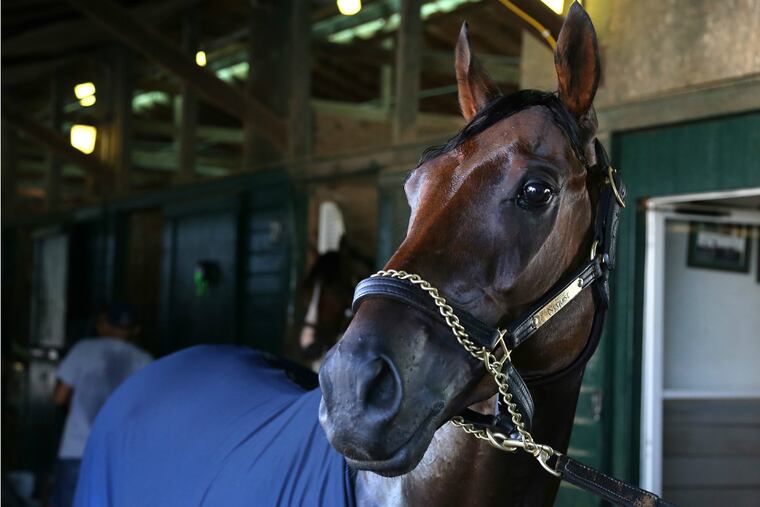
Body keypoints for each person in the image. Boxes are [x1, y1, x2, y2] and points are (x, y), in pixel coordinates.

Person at [51, 303, 152, 507]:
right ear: (136, 329)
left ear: (104, 325)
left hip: (77, 449)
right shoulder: (145, 361)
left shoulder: (83, 350)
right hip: (121, 456)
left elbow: (60, 397)